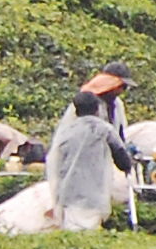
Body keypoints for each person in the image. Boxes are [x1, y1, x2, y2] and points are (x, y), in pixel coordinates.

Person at [47, 89, 133, 231]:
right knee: (90, 229)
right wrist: (128, 167)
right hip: (95, 194)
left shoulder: (66, 132)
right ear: (97, 109)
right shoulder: (104, 129)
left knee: (72, 232)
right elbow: (121, 156)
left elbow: (56, 160)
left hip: (69, 194)